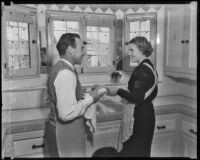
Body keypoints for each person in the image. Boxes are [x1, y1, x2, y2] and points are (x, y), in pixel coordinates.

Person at [44, 33, 104, 157]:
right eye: (81, 48)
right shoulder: (66, 73)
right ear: (70, 50)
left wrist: (81, 94)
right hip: (65, 131)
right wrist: (91, 98)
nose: (84, 52)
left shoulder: (61, 67)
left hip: (64, 129)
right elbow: (66, 113)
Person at [106, 36, 158, 157]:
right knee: (141, 152)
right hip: (147, 114)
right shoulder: (150, 66)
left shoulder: (141, 70)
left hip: (139, 117)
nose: (129, 54)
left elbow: (136, 98)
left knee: (133, 152)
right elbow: (144, 93)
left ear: (142, 49)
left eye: (132, 50)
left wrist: (118, 91)